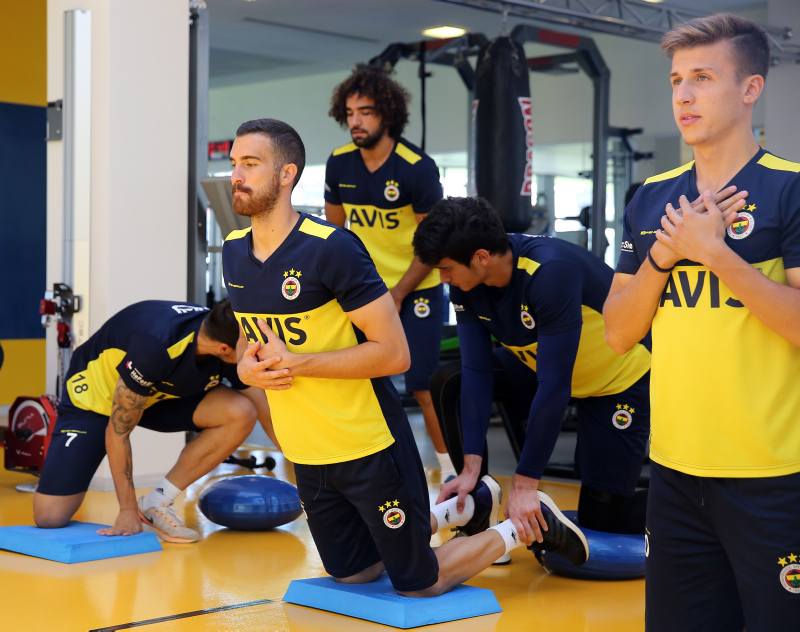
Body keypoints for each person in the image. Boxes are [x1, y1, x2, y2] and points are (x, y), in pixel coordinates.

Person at [223, 118, 588, 597]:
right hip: (305, 450)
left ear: (286, 174)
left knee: (420, 582)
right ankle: (463, 508)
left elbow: (395, 354)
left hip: (368, 445)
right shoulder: (232, 251)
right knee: (354, 574)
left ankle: (521, 527)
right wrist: (245, 368)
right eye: (234, 163)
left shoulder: (332, 249)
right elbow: (249, 343)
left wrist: (299, 362)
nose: (236, 175)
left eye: (250, 164)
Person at [603, 14, 800, 631]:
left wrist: (715, 254)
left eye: (703, 78)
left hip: (772, 475)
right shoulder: (649, 198)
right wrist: (665, 254)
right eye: (677, 80)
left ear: (750, 89)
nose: (684, 95)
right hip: (674, 472)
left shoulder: (790, 190)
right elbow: (618, 332)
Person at [413, 196, 652, 561]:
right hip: (540, 366)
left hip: (617, 380)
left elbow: (554, 387)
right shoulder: (466, 283)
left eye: (446, 269)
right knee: (451, 379)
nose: (443, 279)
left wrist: (525, 484)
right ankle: (476, 500)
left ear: (481, 257)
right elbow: (477, 371)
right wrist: (470, 468)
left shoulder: (549, 272)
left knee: (604, 519)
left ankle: (691, 508)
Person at [33, 299, 276, 543]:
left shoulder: (227, 338)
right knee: (49, 516)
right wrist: (127, 510)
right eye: (250, 346)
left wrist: (299, 467)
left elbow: (266, 412)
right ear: (224, 348)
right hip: (95, 398)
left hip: (155, 397)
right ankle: (114, 499)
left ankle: (157, 502)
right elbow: (118, 432)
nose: (256, 353)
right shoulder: (154, 346)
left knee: (241, 412)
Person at [324, 69, 456, 482]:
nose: (356, 121)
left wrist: (398, 293)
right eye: (350, 113)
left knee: (422, 384)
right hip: (365, 290)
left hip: (416, 289)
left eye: (365, 112)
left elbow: (432, 245)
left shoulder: (416, 168)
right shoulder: (339, 162)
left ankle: (451, 473)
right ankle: (365, 465)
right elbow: (334, 235)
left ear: (388, 114)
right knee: (359, 377)